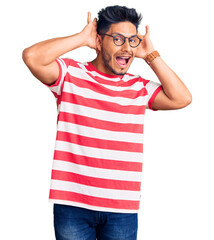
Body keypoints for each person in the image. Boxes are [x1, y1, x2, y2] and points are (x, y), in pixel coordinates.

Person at [22, 5, 192, 240]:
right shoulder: (70, 75)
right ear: (100, 41)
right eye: (119, 39)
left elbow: (182, 98)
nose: (127, 48)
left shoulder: (138, 87)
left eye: (133, 40)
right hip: (72, 203)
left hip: (121, 208)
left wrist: (151, 56)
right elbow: (32, 57)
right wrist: (82, 38)